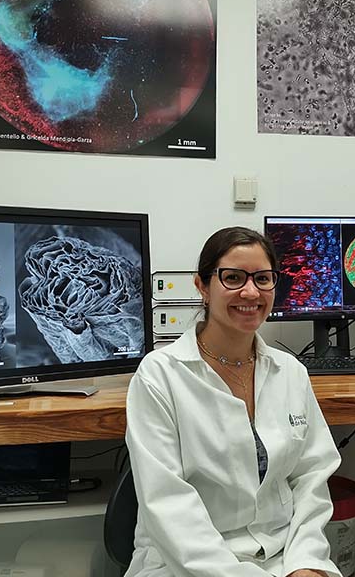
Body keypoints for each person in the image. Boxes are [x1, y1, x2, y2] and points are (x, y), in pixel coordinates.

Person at [125, 226, 341, 577]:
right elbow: (168, 506)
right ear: (202, 286)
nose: (251, 291)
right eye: (233, 277)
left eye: (263, 278)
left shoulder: (290, 372)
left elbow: (311, 479)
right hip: (186, 565)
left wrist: (306, 563)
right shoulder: (160, 376)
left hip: (282, 556)